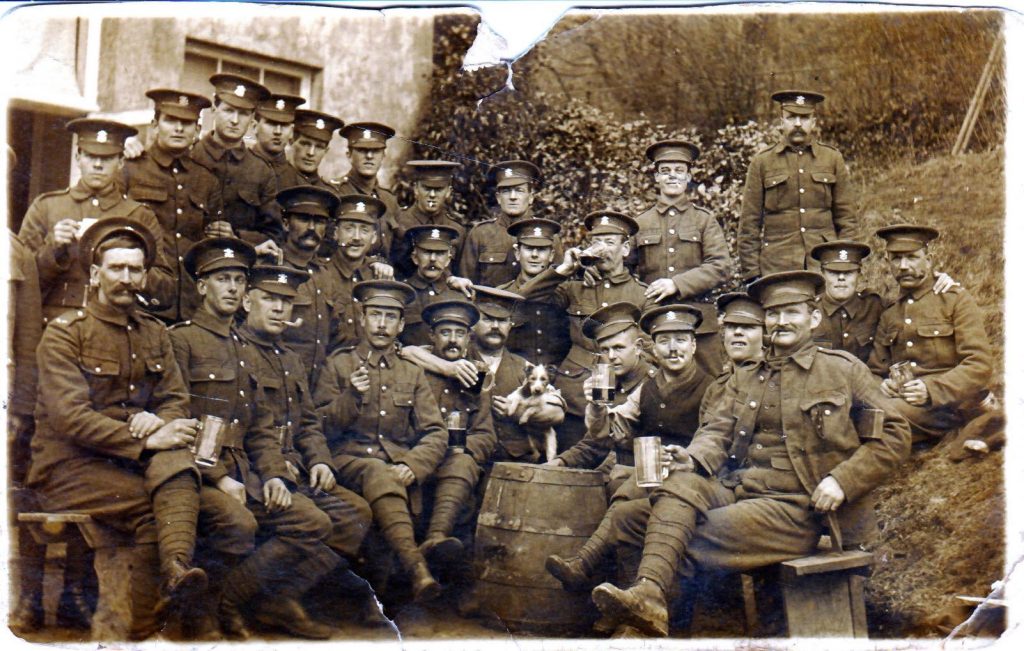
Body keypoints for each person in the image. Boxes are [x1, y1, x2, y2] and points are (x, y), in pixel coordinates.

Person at [591, 271, 910, 637]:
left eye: (792, 312)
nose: (781, 322)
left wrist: (842, 481)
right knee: (635, 515)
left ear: (815, 317)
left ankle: (650, 630)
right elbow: (717, 430)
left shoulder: (842, 370)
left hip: (798, 507)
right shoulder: (748, 375)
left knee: (674, 538)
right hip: (740, 490)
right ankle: (648, 601)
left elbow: (895, 434)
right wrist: (691, 458)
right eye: (773, 314)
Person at [27, 219, 207, 639]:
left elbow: (175, 398)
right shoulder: (65, 335)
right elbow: (70, 418)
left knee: (199, 495)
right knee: (151, 508)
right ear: (95, 274)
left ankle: (178, 573)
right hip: (68, 467)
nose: (126, 279)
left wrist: (160, 420)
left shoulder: (154, 333)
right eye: (116, 268)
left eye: (135, 270)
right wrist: (141, 436)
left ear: (145, 275)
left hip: (127, 464)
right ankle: (144, 628)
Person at [170, 237, 339, 639]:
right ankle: (206, 613)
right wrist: (218, 477)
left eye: (238, 280)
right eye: (222, 279)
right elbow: (175, 418)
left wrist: (276, 475)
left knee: (312, 521)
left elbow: (261, 426)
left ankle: (230, 601)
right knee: (239, 524)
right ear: (201, 287)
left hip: (246, 471)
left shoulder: (241, 347)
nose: (232, 287)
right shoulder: (183, 340)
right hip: (196, 472)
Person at [236, 264, 386, 627]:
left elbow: (308, 423)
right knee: (311, 520)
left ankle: (283, 596)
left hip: (295, 467)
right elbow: (242, 430)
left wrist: (320, 461)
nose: (278, 309)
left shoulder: (290, 359)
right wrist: (272, 469)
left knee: (355, 514)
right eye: (269, 299)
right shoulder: (235, 351)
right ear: (245, 301)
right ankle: (233, 598)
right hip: (252, 470)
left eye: (286, 302)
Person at [546, 303, 712, 594]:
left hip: (691, 480)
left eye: (680, 341)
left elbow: (715, 438)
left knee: (627, 485)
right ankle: (598, 578)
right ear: (655, 348)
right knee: (626, 496)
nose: (673, 349)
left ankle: (587, 564)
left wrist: (689, 458)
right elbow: (605, 430)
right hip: (649, 478)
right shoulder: (648, 387)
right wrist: (596, 407)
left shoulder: (711, 387)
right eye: (664, 342)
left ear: (694, 344)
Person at [313, 279, 449, 603]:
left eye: (390, 317)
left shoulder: (411, 373)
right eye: (375, 314)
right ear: (362, 318)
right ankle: (416, 566)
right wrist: (350, 397)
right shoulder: (339, 364)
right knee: (377, 470)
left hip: (393, 471)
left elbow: (436, 431)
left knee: (384, 478)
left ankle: (381, 604)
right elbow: (316, 425)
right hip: (346, 461)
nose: (382, 324)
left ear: (402, 324)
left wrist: (412, 464)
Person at [516, 210, 652, 450]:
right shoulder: (575, 287)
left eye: (610, 243)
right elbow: (522, 300)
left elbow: (649, 351)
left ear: (626, 248)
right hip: (573, 400)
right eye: (596, 242)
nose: (603, 249)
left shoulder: (642, 294)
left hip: (621, 401)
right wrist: (563, 270)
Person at [19, 118, 176, 323]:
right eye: (91, 156)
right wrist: (53, 250)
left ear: (121, 162)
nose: (98, 165)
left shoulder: (139, 216)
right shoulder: (47, 207)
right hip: (57, 325)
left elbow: (165, 293)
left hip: (116, 326)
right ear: (78, 156)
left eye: (107, 158)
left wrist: (129, 255)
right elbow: (19, 283)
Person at [867, 224, 994, 441]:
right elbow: (875, 369)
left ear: (929, 258)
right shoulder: (890, 313)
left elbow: (979, 364)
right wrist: (883, 384)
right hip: (906, 405)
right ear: (888, 262)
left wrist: (931, 390)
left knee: (878, 418)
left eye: (912, 257)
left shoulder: (954, 299)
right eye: (896, 258)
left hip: (950, 403)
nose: (903, 266)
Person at [123, 88, 223, 322]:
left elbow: (211, 243)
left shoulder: (206, 180)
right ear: (155, 125)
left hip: (190, 305)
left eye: (187, 123)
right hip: (141, 302)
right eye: (170, 120)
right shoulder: (130, 169)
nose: (179, 128)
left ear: (197, 130)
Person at [738, 90, 858, 281]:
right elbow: (749, 224)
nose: (797, 124)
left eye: (804, 117)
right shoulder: (762, 162)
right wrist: (753, 275)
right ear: (781, 121)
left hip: (824, 264)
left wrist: (843, 263)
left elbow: (847, 219)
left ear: (814, 122)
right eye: (791, 117)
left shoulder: (832, 159)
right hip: (777, 266)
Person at [416, 299, 497, 570]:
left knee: (462, 466)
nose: (453, 341)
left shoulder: (477, 376)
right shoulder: (416, 369)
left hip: (455, 464)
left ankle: (436, 539)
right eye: (445, 332)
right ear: (431, 336)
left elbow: (486, 435)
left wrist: (458, 447)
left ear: (468, 338)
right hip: (418, 457)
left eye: (460, 334)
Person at [544, 302, 653, 479]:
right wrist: (560, 462)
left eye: (618, 348)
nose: (611, 357)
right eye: (604, 349)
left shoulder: (654, 384)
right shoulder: (608, 385)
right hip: (612, 474)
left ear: (638, 347)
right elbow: (595, 443)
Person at [810, 239, 960, 364]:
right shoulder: (809, 312)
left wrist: (934, 279)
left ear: (859, 274)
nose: (841, 278)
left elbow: (911, 306)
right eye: (833, 272)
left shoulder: (878, 307)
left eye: (848, 272)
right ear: (822, 273)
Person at [190, 73, 282, 252]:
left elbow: (275, 235)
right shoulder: (191, 155)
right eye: (228, 110)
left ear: (252, 118)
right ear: (214, 109)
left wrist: (238, 237)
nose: (234, 120)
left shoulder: (261, 171)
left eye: (243, 113)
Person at [633, 139, 730, 303]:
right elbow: (621, 269)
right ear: (657, 177)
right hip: (652, 315)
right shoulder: (641, 222)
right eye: (665, 171)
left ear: (688, 176)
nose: (672, 176)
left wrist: (677, 284)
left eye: (679, 170)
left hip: (697, 316)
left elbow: (721, 267)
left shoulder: (704, 220)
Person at [272, 185, 343, 388]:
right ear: (286, 223)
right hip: (280, 382)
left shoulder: (325, 276)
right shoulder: (272, 270)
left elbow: (336, 335)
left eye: (319, 221)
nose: (312, 228)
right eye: (303, 219)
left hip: (319, 386)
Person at [458, 160, 562, 287]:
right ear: (498, 197)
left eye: (519, 190)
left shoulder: (549, 235)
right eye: (506, 191)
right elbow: (465, 283)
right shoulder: (480, 234)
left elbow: (560, 286)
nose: (513, 197)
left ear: (531, 197)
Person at [498, 217, 572, 367]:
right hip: (515, 378)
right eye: (529, 248)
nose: (534, 255)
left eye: (542, 249)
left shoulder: (565, 293)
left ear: (551, 255)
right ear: (517, 253)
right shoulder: (501, 295)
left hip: (557, 380)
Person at [322, 194, 389, 349]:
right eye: (349, 229)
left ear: (373, 237)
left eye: (364, 230)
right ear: (336, 234)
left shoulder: (379, 277)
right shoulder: (322, 275)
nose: (357, 237)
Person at [698, 292, 766, 425]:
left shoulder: (774, 381)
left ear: (765, 334)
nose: (737, 332)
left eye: (748, 327)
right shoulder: (716, 388)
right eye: (731, 326)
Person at [390, 160, 466, 278]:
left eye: (438, 189)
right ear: (416, 189)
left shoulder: (456, 230)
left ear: (448, 192)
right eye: (426, 188)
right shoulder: (397, 223)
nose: (432, 195)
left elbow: (459, 275)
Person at [335, 122, 400, 258]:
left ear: (383, 156)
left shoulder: (389, 200)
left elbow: (398, 251)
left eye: (376, 151)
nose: (369, 156)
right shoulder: (335, 194)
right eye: (362, 150)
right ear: (349, 155)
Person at [399, 224, 467, 346]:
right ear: (415, 257)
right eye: (426, 252)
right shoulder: (402, 294)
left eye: (440, 253)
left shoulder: (459, 296)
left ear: (448, 260)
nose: (433, 259)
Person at [249, 93, 306, 188]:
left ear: (291, 131)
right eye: (271, 123)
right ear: (255, 127)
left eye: (284, 125)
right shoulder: (234, 169)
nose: (278, 132)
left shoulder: (299, 184)